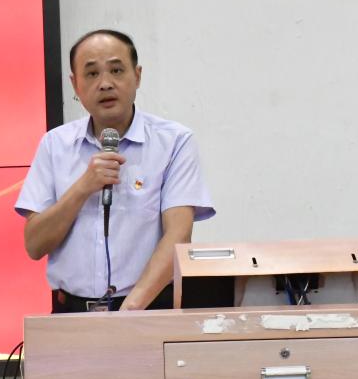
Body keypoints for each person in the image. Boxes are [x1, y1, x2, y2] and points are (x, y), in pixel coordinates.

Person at [14, 29, 215, 313]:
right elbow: (34, 245)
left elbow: (178, 237)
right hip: (71, 313)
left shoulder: (174, 142)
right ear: (75, 85)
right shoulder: (54, 145)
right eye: (92, 74)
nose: (105, 84)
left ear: (137, 76)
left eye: (117, 70)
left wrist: (128, 313)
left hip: (146, 310)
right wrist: (83, 187)